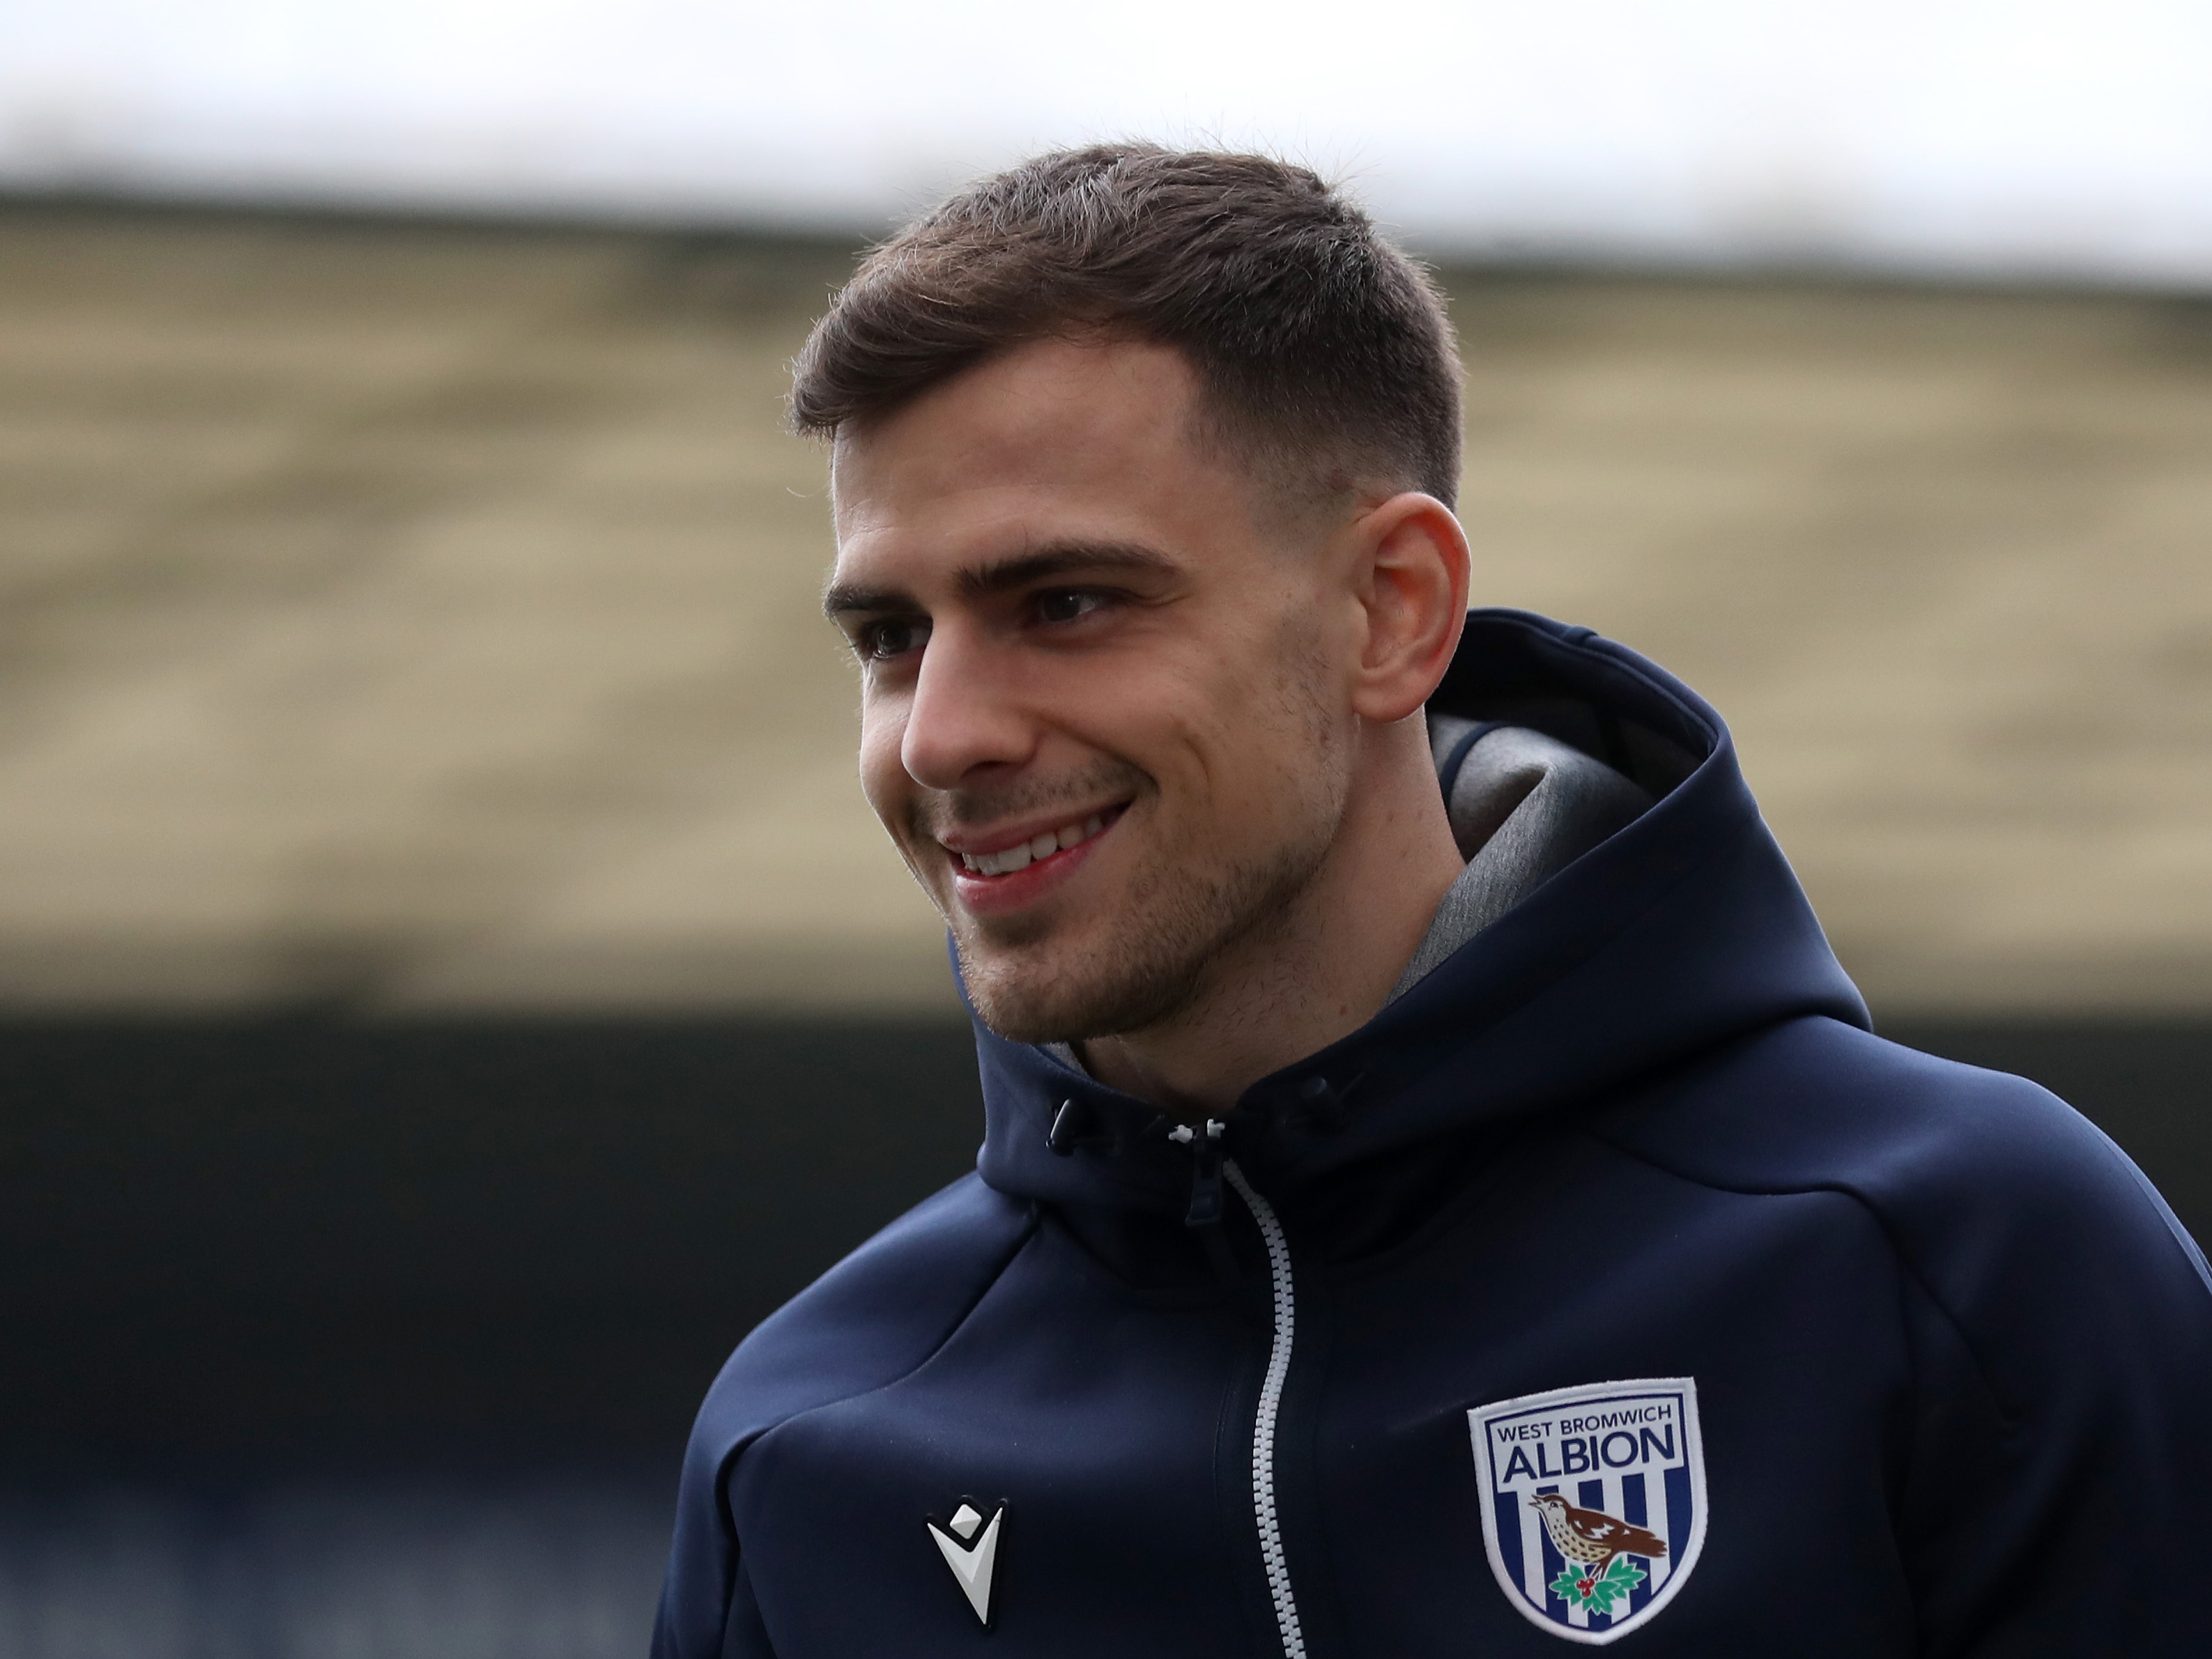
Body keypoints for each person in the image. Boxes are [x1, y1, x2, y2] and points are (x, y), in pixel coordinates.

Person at [652, 146, 2212, 1656]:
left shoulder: (1956, 1260)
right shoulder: (808, 1449)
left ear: (1392, 611)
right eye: (889, 638)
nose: (941, 735)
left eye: (1065, 603)